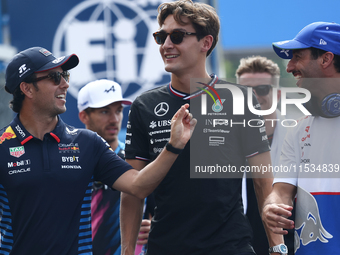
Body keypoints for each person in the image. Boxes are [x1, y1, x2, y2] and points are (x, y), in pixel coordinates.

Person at [121, 1, 282, 254]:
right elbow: (131, 191)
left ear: (206, 43)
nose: (166, 45)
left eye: (176, 36)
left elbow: (263, 182)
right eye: (161, 37)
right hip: (167, 247)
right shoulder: (144, 105)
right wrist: (127, 251)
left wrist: (278, 248)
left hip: (230, 246)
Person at [0, 46, 196, 255]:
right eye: (55, 77)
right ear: (27, 89)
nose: (65, 84)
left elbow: (138, 186)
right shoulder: (2, 146)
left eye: (65, 75)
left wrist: (173, 145)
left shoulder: (87, 143)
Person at [262, 21, 340, 255]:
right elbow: (282, 191)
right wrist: (271, 206)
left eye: (297, 57)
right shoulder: (298, 130)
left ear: (326, 59)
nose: (289, 67)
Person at [77, 79, 152, 255]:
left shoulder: (136, 160)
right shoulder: (69, 160)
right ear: (83, 116)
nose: (115, 119)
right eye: (105, 111)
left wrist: (154, 227)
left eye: (119, 111)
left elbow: (156, 208)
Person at [236, 56, 294, 255]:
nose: (253, 97)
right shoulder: (222, 140)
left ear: (277, 94)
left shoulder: (299, 135)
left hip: (293, 243)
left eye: (261, 90)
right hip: (240, 245)